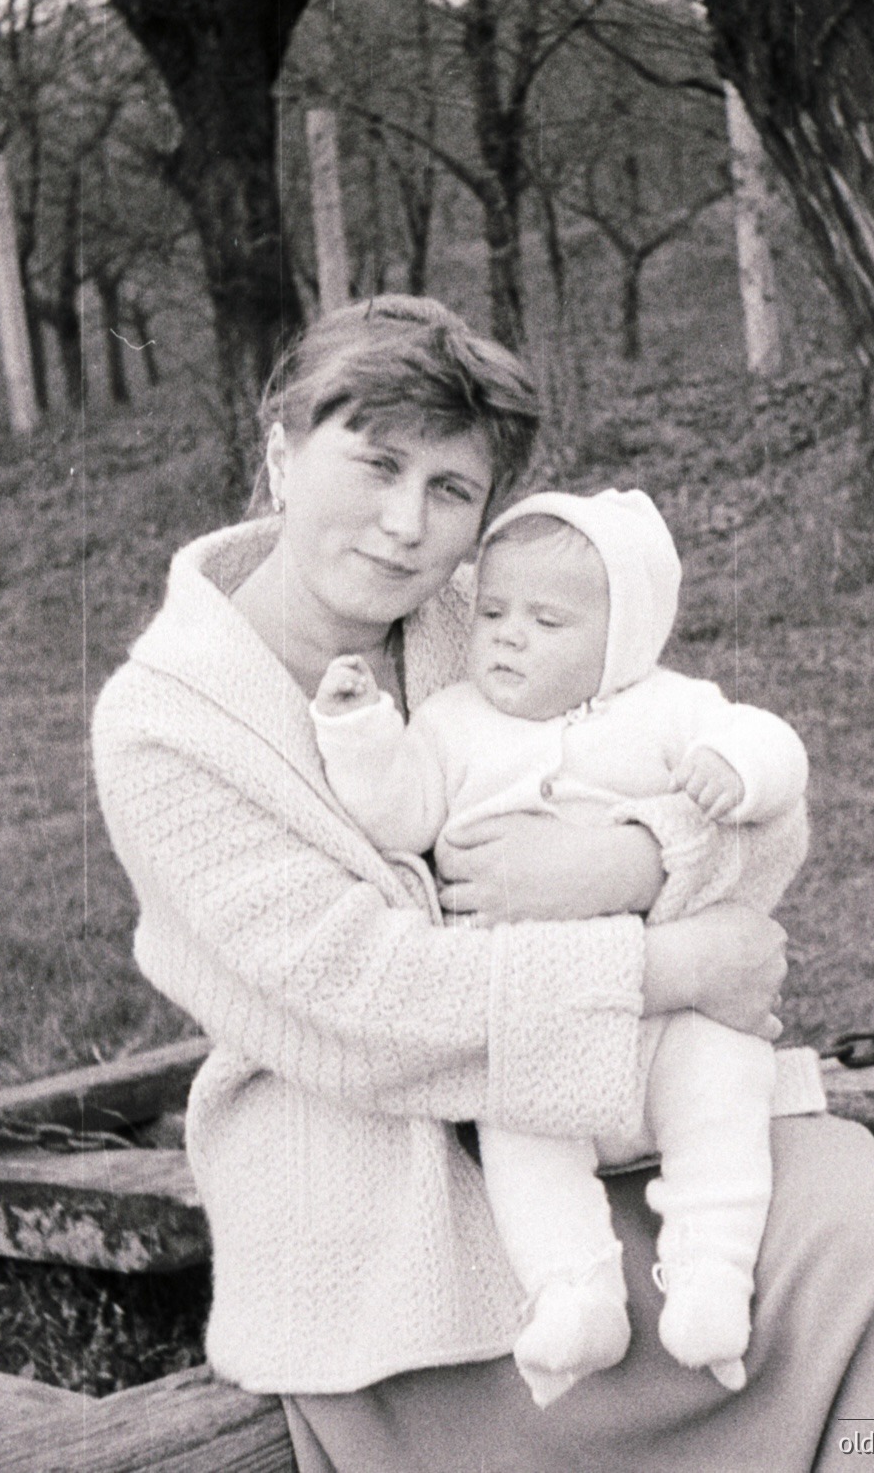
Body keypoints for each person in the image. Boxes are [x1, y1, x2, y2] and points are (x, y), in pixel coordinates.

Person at [91, 295, 874, 1473]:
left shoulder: (485, 613)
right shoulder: (167, 724)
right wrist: (669, 962)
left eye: (451, 492)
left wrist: (640, 858)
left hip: (626, 1122)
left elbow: (745, 790)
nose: (406, 525)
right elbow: (360, 1005)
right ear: (281, 448)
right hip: (388, 1190)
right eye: (377, 464)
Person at [310, 485, 811, 1404]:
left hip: (677, 1019)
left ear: (623, 638)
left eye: (546, 620)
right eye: (493, 610)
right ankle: (576, 1290)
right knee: (520, 1139)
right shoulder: (454, 722)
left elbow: (772, 746)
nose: (506, 635)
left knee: (722, 1091)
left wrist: (737, 767)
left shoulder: (670, 706)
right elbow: (400, 808)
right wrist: (360, 730)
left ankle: (711, 1269)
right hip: (536, 1015)